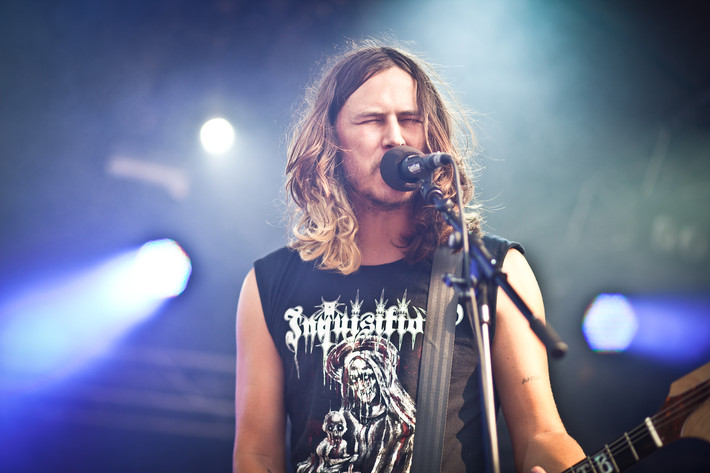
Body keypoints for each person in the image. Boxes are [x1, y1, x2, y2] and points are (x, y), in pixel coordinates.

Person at [233, 41, 585, 473]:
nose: (396, 137)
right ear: (331, 139)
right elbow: (257, 455)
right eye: (372, 120)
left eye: (410, 121)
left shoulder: (490, 269)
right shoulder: (270, 283)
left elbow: (542, 434)